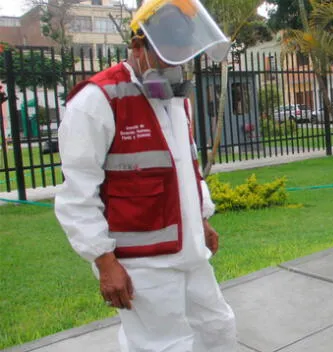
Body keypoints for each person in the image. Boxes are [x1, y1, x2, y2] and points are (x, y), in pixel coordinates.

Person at [54, 0, 236, 351]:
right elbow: (77, 195)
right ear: (138, 48)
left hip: (190, 253)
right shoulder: (97, 100)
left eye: (183, 56)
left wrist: (202, 220)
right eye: (168, 56)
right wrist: (104, 261)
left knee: (217, 329)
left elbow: (186, 168)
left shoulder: (174, 99)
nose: (176, 66)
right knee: (164, 346)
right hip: (142, 263)